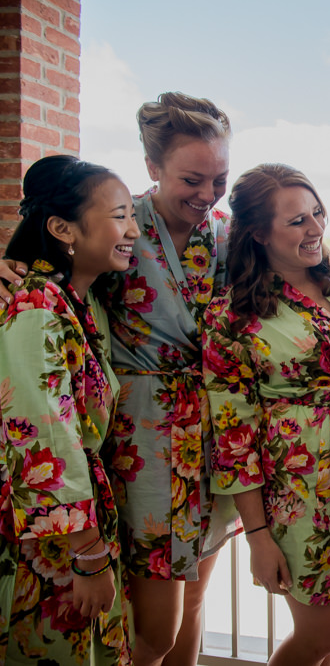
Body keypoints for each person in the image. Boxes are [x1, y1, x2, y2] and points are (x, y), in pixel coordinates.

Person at [203, 164, 330, 665]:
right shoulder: (231, 318)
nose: (315, 228)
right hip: (299, 493)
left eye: (317, 213)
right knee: (319, 638)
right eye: (297, 220)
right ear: (258, 232)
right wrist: (257, 537)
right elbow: (234, 438)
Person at [103, 92, 238, 665]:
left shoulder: (230, 237)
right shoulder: (115, 223)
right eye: (192, 180)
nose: (206, 196)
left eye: (220, 180)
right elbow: (50, 274)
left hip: (211, 437)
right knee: (153, 629)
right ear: (153, 169)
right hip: (143, 438)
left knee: (196, 603)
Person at [0, 155, 139, 664]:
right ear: (62, 228)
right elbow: (44, 437)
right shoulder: (36, 307)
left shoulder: (82, 301)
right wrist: (86, 552)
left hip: (80, 518)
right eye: (119, 214)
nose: (133, 230)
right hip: (48, 532)